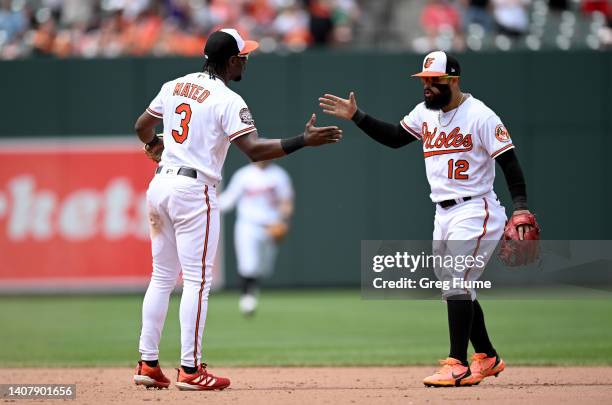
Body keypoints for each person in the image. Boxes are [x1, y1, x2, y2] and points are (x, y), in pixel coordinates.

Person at [132, 28, 342, 391]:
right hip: (193, 190)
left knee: (162, 278)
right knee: (197, 282)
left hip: (160, 184)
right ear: (231, 61)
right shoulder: (227, 99)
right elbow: (256, 150)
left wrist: (154, 144)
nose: (247, 60)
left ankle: (147, 363)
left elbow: (142, 126)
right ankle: (190, 370)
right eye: (244, 55)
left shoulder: (175, 85)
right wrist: (303, 141)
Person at [319, 51, 535, 387]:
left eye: (435, 81)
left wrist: (520, 206)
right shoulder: (424, 114)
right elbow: (394, 138)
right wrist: (357, 116)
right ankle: (488, 356)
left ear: (454, 80)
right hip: (443, 212)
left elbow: (510, 162)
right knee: (456, 287)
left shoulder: (480, 115)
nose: (428, 87)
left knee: (456, 283)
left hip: (476, 208)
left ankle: (457, 364)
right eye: (424, 81)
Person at [219, 161, 294, 317]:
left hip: (272, 226)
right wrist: (210, 205)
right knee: (248, 264)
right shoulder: (243, 175)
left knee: (264, 268)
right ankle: (247, 298)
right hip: (248, 225)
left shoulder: (278, 175)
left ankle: (252, 290)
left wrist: (284, 221)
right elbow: (228, 200)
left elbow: (286, 202)